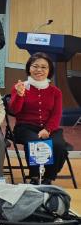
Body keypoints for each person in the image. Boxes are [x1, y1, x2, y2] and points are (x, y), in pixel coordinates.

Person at [10, 52, 68, 184]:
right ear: (29, 68)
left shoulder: (56, 92)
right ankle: (35, 177)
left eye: (43, 67)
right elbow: (14, 110)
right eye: (35, 66)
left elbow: (56, 114)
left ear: (49, 70)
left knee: (59, 145)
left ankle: (48, 177)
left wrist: (48, 129)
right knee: (35, 142)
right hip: (25, 128)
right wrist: (19, 95)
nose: (39, 70)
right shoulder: (20, 87)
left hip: (49, 127)